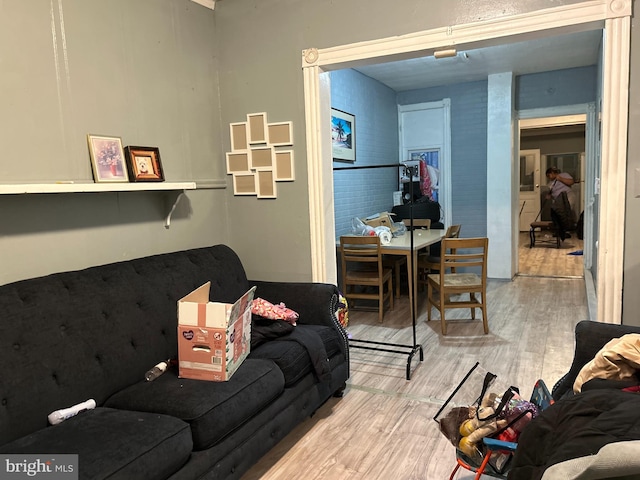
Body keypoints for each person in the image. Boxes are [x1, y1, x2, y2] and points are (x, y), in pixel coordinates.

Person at [546, 166, 576, 237]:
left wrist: (560, 179)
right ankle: (560, 231)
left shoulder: (564, 175)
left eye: (548, 175)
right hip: (558, 200)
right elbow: (552, 193)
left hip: (568, 196)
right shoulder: (550, 184)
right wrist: (549, 195)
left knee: (566, 213)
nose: (548, 177)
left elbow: (571, 182)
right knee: (557, 214)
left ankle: (567, 230)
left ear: (553, 173)